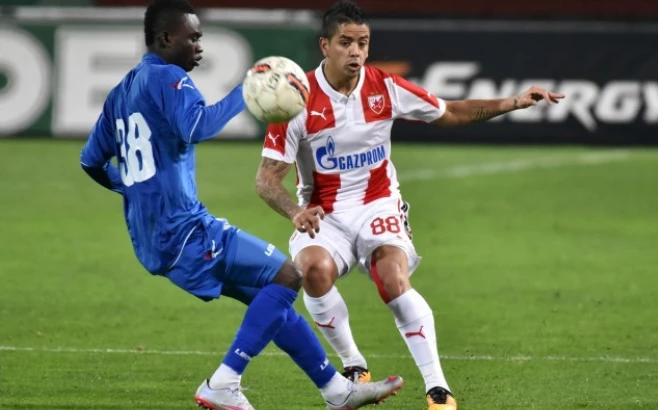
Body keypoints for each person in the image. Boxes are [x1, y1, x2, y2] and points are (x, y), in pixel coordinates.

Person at [78, 1, 404, 409]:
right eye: (192, 37)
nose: (199, 46)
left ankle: (337, 391)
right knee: (287, 276)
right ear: (166, 38)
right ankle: (224, 381)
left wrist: (132, 189)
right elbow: (198, 126)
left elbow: (90, 161)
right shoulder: (168, 77)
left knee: (271, 300)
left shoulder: (122, 91)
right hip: (184, 230)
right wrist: (249, 90)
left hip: (150, 237)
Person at [255, 1, 565, 409]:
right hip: (323, 213)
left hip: (378, 203)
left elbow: (450, 112)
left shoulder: (385, 87)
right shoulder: (297, 101)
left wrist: (514, 102)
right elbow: (266, 180)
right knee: (311, 270)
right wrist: (296, 213)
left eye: (363, 43)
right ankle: (354, 365)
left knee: (392, 276)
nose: (356, 52)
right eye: (345, 42)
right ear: (324, 46)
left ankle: (438, 388)